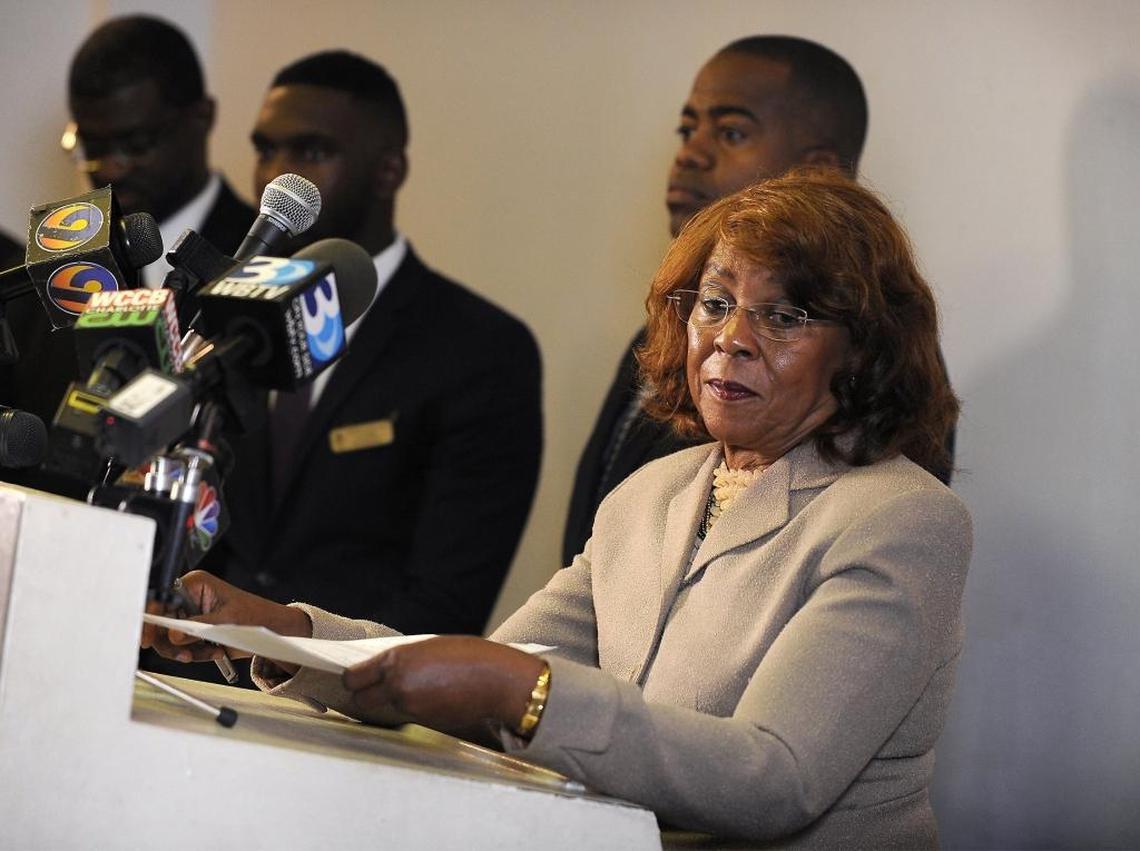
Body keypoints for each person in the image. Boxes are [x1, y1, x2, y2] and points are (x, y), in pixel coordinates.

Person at [146, 169, 971, 846]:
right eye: (714, 302)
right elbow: (474, 672)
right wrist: (286, 631)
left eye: (785, 315)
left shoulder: (900, 520)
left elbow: (774, 779)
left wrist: (523, 689)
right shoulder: (652, 494)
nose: (731, 338)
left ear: (862, 348)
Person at [201, 52, 542, 641]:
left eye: (310, 152)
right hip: (195, 681)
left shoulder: (481, 350)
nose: (277, 179)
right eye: (265, 150)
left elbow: (445, 604)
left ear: (389, 170)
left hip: (351, 710)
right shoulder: (229, 315)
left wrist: (284, 645)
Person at [564, 36, 923, 567]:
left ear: (817, 173)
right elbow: (594, 563)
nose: (690, 154)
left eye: (732, 132)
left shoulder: (885, 366)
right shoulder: (671, 332)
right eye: (688, 130)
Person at [0, 15, 255, 496]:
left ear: (202, 117)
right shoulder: (50, 269)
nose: (112, 167)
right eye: (92, 146)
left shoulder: (263, 259)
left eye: (137, 143)